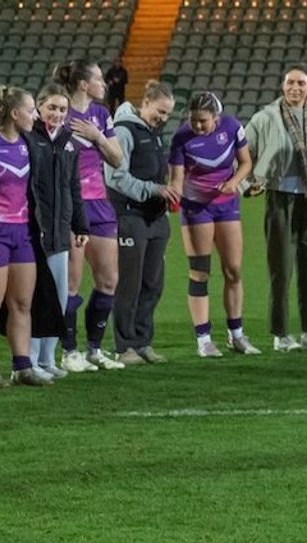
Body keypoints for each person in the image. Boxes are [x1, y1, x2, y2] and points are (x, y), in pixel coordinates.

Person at [0, 86, 62, 387]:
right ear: (14, 113)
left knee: (23, 302)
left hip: (22, 232)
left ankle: (22, 366)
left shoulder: (27, 143)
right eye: (30, 110)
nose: (35, 115)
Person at [246, 66, 307, 352]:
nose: (295, 88)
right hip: (279, 198)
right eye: (290, 83)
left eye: (301, 83)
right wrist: (252, 181)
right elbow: (245, 152)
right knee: (281, 267)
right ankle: (281, 334)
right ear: (282, 86)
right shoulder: (265, 118)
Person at [170, 91, 258, 357]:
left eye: (203, 121)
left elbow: (245, 162)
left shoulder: (232, 127)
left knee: (233, 270)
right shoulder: (181, 138)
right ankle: (204, 339)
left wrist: (233, 183)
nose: (197, 126)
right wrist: (173, 197)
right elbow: (176, 177)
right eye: (194, 120)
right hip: (197, 209)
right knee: (200, 272)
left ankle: (237, 335)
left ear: (216, 118)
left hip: (227, 205)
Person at [55, 59, 126, 371]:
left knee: (109, 279)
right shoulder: (59, 112)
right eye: (98, 78)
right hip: (71, 205)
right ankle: (69, 352)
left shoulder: (101, 114)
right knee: (71, 283)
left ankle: (94, 349)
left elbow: (117, 160)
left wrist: (97, 137)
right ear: (84, 84)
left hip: (99, 204)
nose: (104, 83)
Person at [107, 81, 178, 365]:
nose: (162, 118)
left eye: (167, 115)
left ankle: (142, 341)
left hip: (155, 218)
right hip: (129, 215)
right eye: (160, 111)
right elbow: (115, 177)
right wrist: (154, 189)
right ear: (145, 102)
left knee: (152, 283)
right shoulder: (124, 130)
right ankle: (124, 346)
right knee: (130, 284)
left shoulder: (150, 131)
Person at [26, 84, 89, 379]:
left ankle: (48, 358)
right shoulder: (28, 138)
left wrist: (80, 224)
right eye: (52, 107)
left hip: (60, 233)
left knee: (59, 298)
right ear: (39, 107)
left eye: (62, 109)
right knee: (34, 297)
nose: (57, 114)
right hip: (32, 233)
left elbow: (74, 188)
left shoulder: (69, 143)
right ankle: (28, 359)